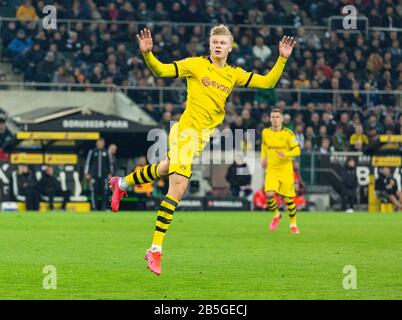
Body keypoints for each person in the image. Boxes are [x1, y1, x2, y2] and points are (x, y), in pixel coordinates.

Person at [109, 25, 295, 275]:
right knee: (178, 188)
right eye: (214, 41)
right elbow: (161, 70)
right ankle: (154, 249)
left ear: (230, 47)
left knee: (164, 169)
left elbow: (268, 82)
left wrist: (282, 59)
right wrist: (147, 54)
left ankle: (121, 184)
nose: (217, 45)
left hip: (200, 139)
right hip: (184, 133)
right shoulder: (195, 64)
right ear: (210, 45)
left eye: (222, 42)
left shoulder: (234, 74)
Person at [261, 108, 301, 234]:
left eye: (277, 117)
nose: (275, 119)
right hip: (272, 169)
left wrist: (286, 154)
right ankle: (277, 215)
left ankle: (293, 224)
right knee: (269, 194)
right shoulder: (265, 132)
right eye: (273, 117)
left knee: (289, 199)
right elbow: (263, 145)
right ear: (269, 119)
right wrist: (264, 158)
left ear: (282, 119)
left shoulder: (288, 134)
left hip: (285, 170)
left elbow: (297, 150)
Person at [84, 138, 112, 210]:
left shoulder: (107, 152)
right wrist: (87, 173)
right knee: (94, 192)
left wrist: (110, 173)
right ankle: (94, 208)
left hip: (104, 176)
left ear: (104, 144)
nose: (100, 144)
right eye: (99, 143)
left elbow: (110, 164)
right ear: (96, 143)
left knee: (105, 192)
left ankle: (104, 207)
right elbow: (88, 163)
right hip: (94, 176)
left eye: (102, 143)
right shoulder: (92, 152)